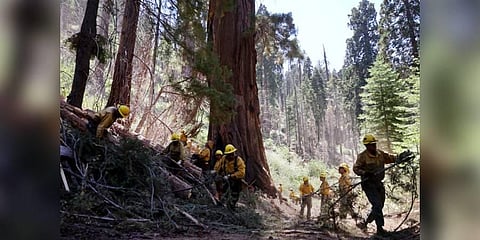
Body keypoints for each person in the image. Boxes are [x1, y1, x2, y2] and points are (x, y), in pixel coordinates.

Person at [353, 134, 412, 236]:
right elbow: (356, 168)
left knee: (380, 205)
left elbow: (391, 158)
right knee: (377, 205)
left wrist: (401, 157)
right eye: (371, 144)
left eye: (374, 143)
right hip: (368, 184)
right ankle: (380, 229)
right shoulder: (362, 156)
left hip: (378, 183)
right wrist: (365, 173)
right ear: (366, 146)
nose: (374, 146)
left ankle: (365, 222)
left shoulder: (380, 154)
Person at [213, 144, 246, 210]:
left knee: (234, 195)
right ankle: (222, 205)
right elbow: (220, 167)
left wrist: (231, 176)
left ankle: (231, 207)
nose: (231, 155)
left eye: (232, 154)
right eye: (229, 154)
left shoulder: (238, 160)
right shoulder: (224, 159)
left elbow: (242, 173)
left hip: (236, 181)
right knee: (224, 192)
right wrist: (215, 172)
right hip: (226, 180)